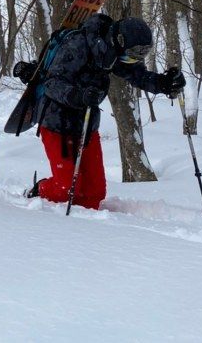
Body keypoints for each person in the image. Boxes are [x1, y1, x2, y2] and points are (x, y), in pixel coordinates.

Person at [22, 14, 185, 210]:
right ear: (120, 40)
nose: (134, 58)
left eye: (141, 54)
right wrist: (79, 96)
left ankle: (88, 230)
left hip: (86, 125)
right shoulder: (78, 45)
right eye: (134, 52)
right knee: (67, 189)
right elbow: (51, 83)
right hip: (57, 123)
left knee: (94, 194)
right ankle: (38, 191)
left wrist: (164, 84)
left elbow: (137, 74)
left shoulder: (114, 52)